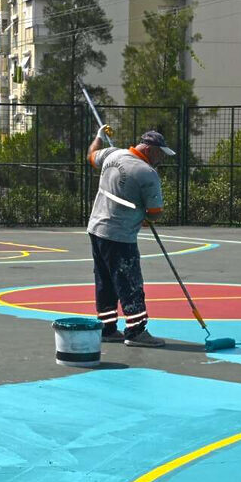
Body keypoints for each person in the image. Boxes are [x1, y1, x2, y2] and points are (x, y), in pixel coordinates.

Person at [86, 128, 175, 347]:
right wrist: (144, 217)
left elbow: (91, 156)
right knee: (130, 282)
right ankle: (135, 331)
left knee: (104, 281)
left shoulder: (112, 154)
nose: (161, 159)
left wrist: (99, 137)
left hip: (97, 229)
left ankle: (107, 327)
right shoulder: (147, 173)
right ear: (149, 149)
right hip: (120, 235)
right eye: (160, 154)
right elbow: (155, 212)